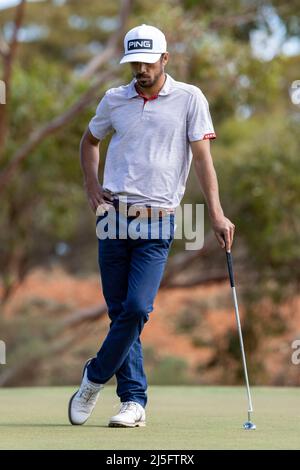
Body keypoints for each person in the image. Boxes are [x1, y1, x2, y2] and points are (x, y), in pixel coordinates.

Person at [68, 24, 235, 428]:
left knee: (138, 308)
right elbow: (89, 141)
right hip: (113, 217)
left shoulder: (190, 98)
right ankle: (133, 402)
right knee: (120, 312)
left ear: (165, 58)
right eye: (133, 62)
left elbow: (203, 160)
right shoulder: (114, 100)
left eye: (147, 61)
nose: (139, 69)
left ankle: (94, 377)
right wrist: (92, 186)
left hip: (158, 221)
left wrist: (215, 213)